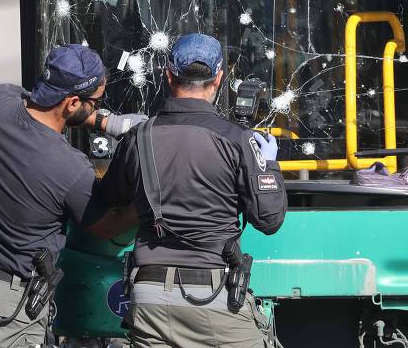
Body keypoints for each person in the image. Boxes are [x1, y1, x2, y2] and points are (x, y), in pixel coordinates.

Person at [0, 44, 145, 348]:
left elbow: (35, 103)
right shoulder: (69, 167)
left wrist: (98, 119)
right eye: (97, 102)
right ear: (73, 103)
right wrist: (151, 198)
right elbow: (108, 226)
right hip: (5, 308)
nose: (99, 108)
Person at [100, 33, 287, 348]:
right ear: (218, 79)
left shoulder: (137, 138)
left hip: (148, 299)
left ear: (169, 76)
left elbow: (109, 201)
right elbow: (269, 220)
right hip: (212, 299)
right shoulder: (239, 140)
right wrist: (267, 167)